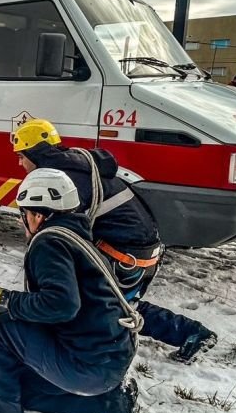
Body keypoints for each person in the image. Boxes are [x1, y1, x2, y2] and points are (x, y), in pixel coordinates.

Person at [12, 119, 216, 363]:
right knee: (110, 302)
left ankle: (190, 333)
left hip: (128, 255)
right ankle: (189, 332)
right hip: (138, 248)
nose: (19, 162)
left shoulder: (62, 179)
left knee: (107, 306)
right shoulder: (80, 162)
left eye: (22, 156)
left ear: (34, 153)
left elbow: (65, 233)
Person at [0, 169, 139, 413]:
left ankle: (2, 404)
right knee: (23, 386)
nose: (24, 222)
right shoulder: (79, 238)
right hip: (109, 360)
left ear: (37, 214)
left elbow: (62, 304)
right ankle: (109, 404)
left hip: (86, 367)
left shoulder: (49, 243)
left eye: (24, 214)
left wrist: (9, 301)